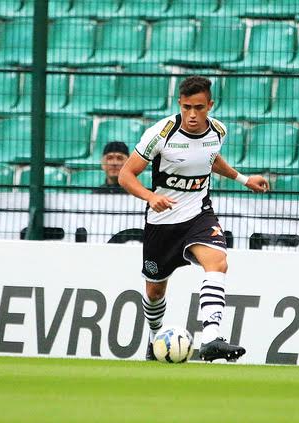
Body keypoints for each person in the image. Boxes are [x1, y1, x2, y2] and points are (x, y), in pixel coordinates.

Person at [118, 76, 269, 362]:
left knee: (218, 262)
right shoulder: (161, 133)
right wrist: (150, 197)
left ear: (210, 105)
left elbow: (210, 159)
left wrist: (244, 179)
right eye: (186, 107)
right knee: (154, 290)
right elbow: (126, 175)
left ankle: (211, 338)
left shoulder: (218, 131)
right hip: (162, 222)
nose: (192, 115)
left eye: (199, 108)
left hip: (199, 215)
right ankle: (155, 339)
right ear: (179, 104)